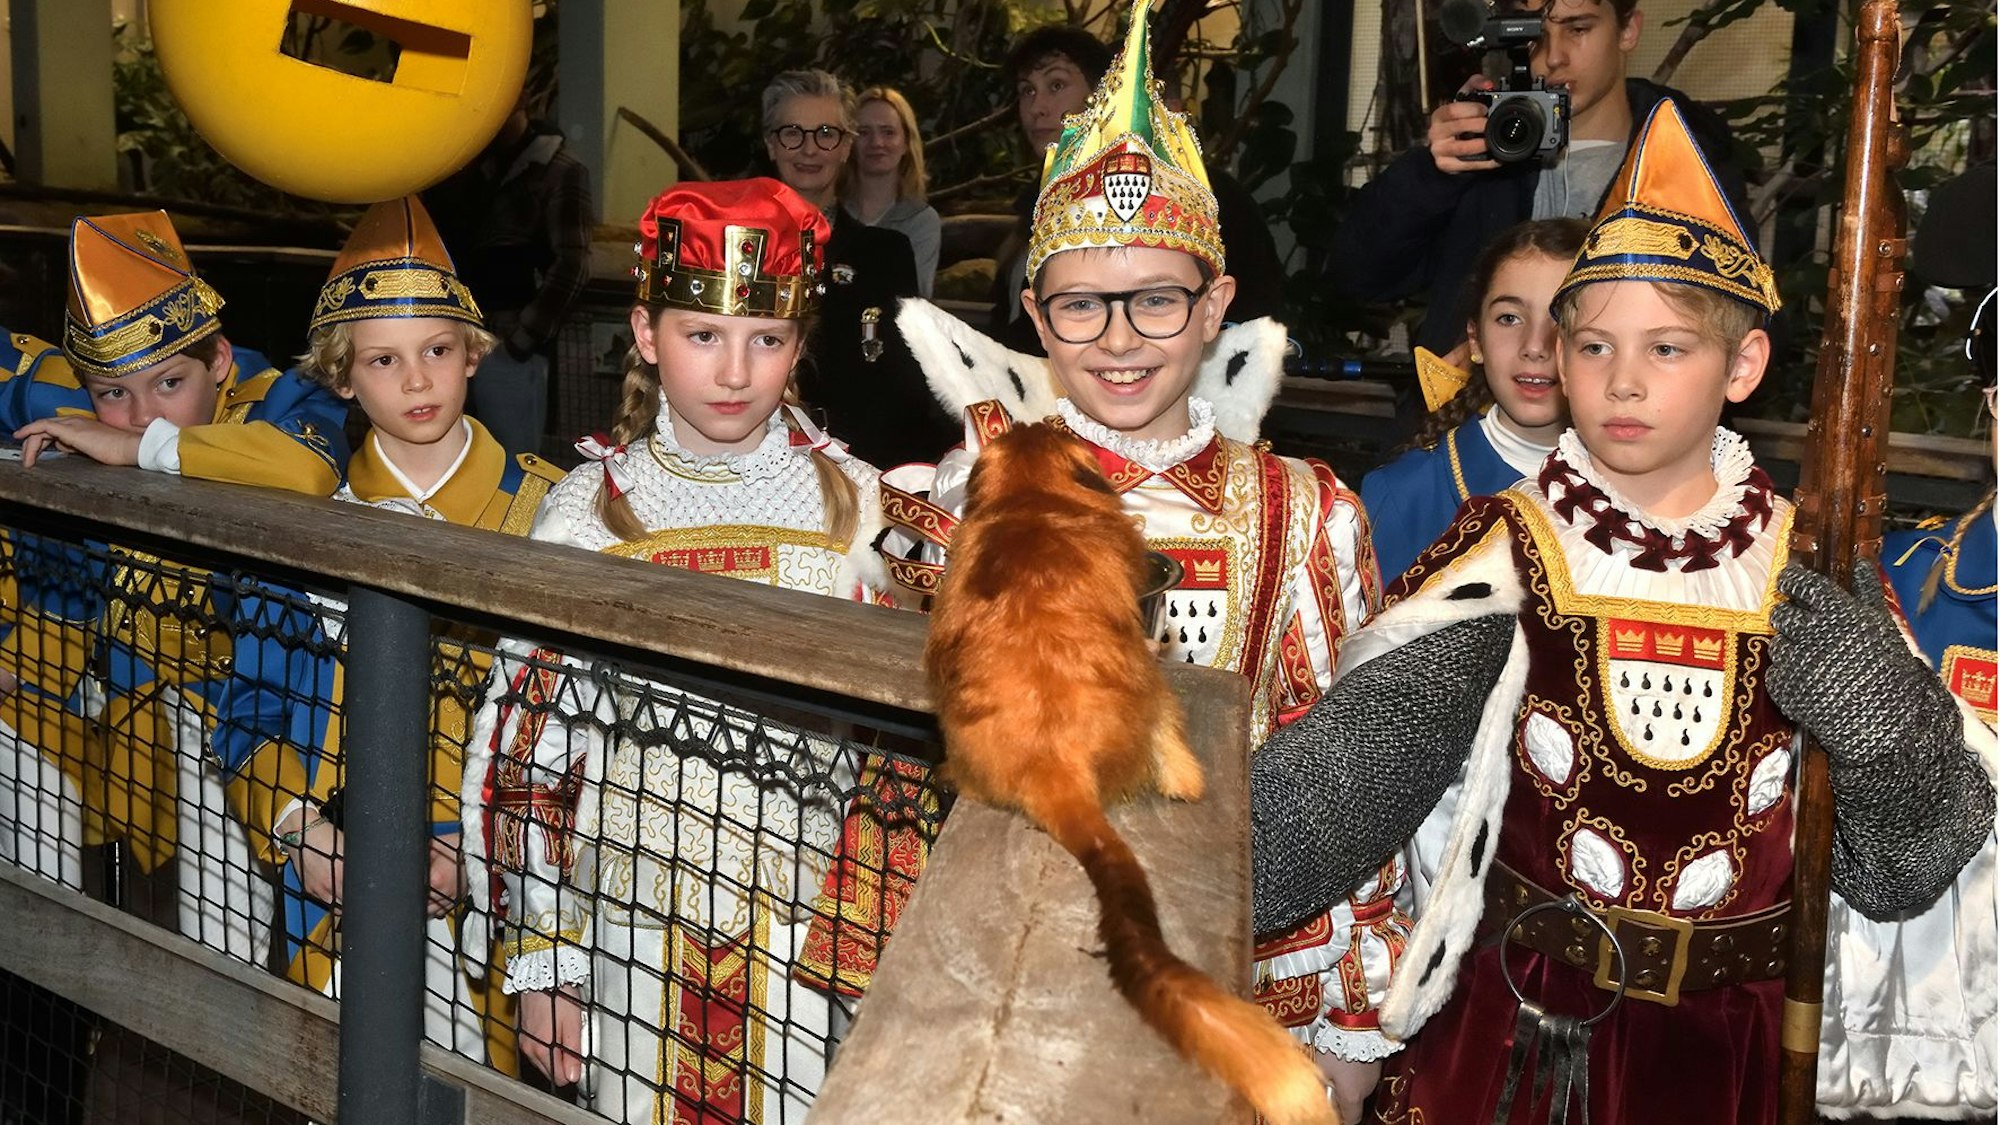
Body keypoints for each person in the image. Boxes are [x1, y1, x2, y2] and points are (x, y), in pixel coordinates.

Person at [1249, 101, 1996, 1124]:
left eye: (1667, 350)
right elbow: (1333, 795)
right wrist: (1163, 865)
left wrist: (1877, 728)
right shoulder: (1505, 550)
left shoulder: (1805, 565)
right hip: (1518, 1035)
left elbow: (1900, 869)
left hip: (1731, 1048)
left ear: (1741, 368)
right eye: (1592, 347)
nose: (1622, 382)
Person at [807, 4, 1403, 1118]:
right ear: (1034, 314)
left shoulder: (1301, 514)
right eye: (1081, 304)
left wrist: (1351, 1017)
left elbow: (1338, 776)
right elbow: (889, 749)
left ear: (1216, 302)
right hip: (988, 980)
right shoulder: (962, 496)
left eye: (1156, 298)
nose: (1120, 336)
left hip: (1227, 973)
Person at [459, 178, 896, 1124]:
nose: (735, 371)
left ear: (798, 344)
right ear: (648, 336)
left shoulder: (863, 510)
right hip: (629, 931)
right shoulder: (587, 511)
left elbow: (911, 752)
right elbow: (528, 753)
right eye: (703, 336)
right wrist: (547, 958)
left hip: (814, 938)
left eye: (766, 340)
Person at [212, 196, 556, 1066]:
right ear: (340, 377)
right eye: (383, 360)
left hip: (496, 901)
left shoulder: (551, 516)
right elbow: (250, 708)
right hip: (331, 888)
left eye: (438, 350)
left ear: (473, 353)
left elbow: (562, 740)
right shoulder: (300, 518)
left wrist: (466, 854)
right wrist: (297, 827)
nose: (416, 381)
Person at [0, 211, 348, 967]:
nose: (142, 409)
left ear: (219, 360)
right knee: (208, 938)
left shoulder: (283, 397)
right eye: (113, 395)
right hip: (144, 700)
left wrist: (139, 446)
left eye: (170, 382)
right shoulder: (62, 393)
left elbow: (307, 469)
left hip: (272, 713)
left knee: (292, 941)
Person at [1329, 0, 1749, 430]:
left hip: (1629, 446)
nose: (1554, 56)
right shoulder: (1480, 152)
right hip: (1467, 440)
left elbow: (1748, 325)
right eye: (1532, 35)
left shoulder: (1685, 163)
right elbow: (1356, 277)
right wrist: (1431, 171)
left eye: (1578, 29)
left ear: (1628, 30)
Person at [989, 25, 1287, 357]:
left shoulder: (1201, 195)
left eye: (1056, 86)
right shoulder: (1039, 200)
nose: (1037, 107)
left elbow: (1253, 324)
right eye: (1027, 91)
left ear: (1105, 95)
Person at [1361, 217, 1586, 584]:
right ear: (1475, 340)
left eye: (1563, 319)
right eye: (1509, 318)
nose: (1534, 346)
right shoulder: (1405, 494)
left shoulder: (1650, 492)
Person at [762, 69, 956, 470]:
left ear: (846, 146)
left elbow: (904, 382)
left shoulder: (886, 253)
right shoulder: (734, 247)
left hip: (858, 466)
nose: (809, 149)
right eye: (792, 133)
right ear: (771, 144)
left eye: (826, 133)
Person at [421, 95, 595, 460]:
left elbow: (573, 263)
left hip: (506, 337)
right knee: (452, 453)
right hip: (456, 333)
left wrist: (523, 339)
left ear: (521, 103)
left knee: (513, 460)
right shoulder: (468, 165)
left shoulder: (558, 169)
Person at [843, 86, 943, 297]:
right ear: (849, 141)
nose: (877, 143)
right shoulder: (830, 213)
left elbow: (914, 302)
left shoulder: (921, 221)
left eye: (888, 132)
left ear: (906, 142)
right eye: (864, 132)